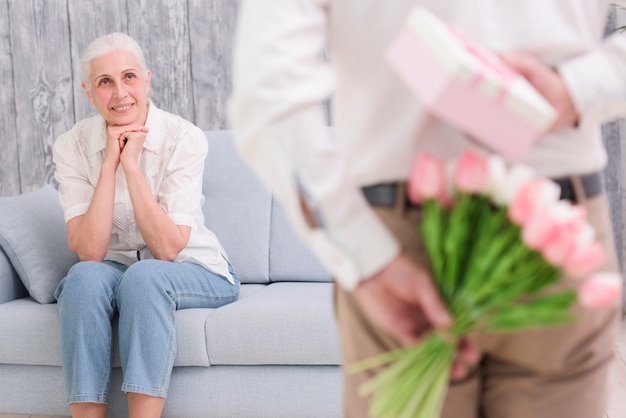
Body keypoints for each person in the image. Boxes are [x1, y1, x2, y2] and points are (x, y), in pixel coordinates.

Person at [228, 2, 626, 417]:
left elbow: (267, 92)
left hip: (402, 239)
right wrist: (577, 88)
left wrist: (368, 255)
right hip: (557, 230)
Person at [53, 32, 239, 418]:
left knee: (146, 277)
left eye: (129, 77)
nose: (120, 93)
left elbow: (168, 249)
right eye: (105, 82)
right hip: (114, 269)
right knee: (83, 277)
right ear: (90, 93)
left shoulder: (183, 138)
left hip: (194, 268)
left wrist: (132, 165)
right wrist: (109, 162)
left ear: (147, 79)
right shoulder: (72, 146)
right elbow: (90, 251)